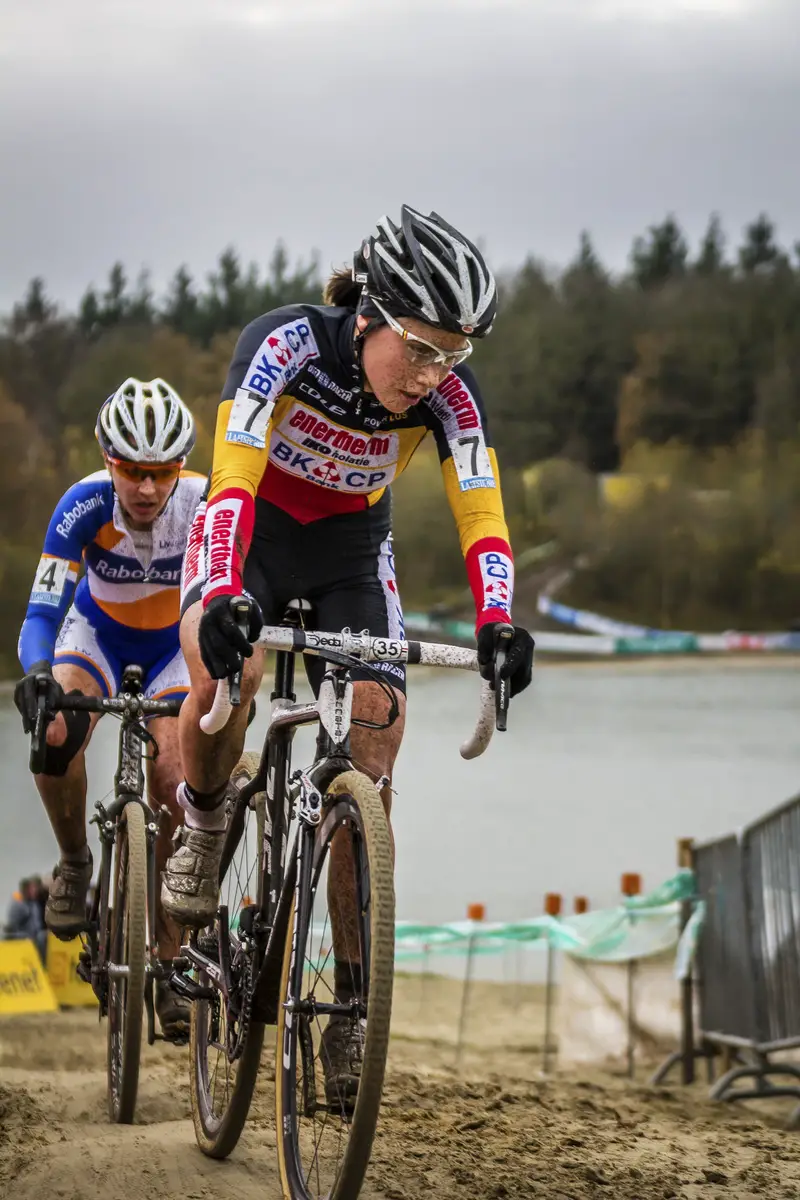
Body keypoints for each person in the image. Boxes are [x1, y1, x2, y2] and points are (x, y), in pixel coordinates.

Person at [162, 206, 535, 1089]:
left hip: (350, 561)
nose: (433, 373)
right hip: (250, 541)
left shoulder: (447, 398)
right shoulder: (281, 347)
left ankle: (353, 1007)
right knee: (234, 668)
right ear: (367, 315)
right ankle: (208, 826)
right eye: (419, 347)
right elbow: (229, 486)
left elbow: (482, 514)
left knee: (374, 736)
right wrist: (219, 597)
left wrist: (497, 622)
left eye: (455, 353)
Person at [13, 377, 204, 1039]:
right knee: (56, 725)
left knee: (177, 777)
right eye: (131, 471)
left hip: (171, 649)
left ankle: (172, 954)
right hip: (96, 636)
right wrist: (38, 673)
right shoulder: (82, 505)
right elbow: (42, 611)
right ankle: (73, 863)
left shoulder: (205, 505)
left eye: (162, 473)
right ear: (107, 459)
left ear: (180, 466)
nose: (147, 490)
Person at [4, 876, 48, 963]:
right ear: (25, 889)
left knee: (44, 936)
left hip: (36, 937)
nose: (35, 890)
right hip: (24, 938)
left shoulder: (34, 903)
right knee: (40, 938)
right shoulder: (18, 905)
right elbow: (12, 929)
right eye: (32, 888)